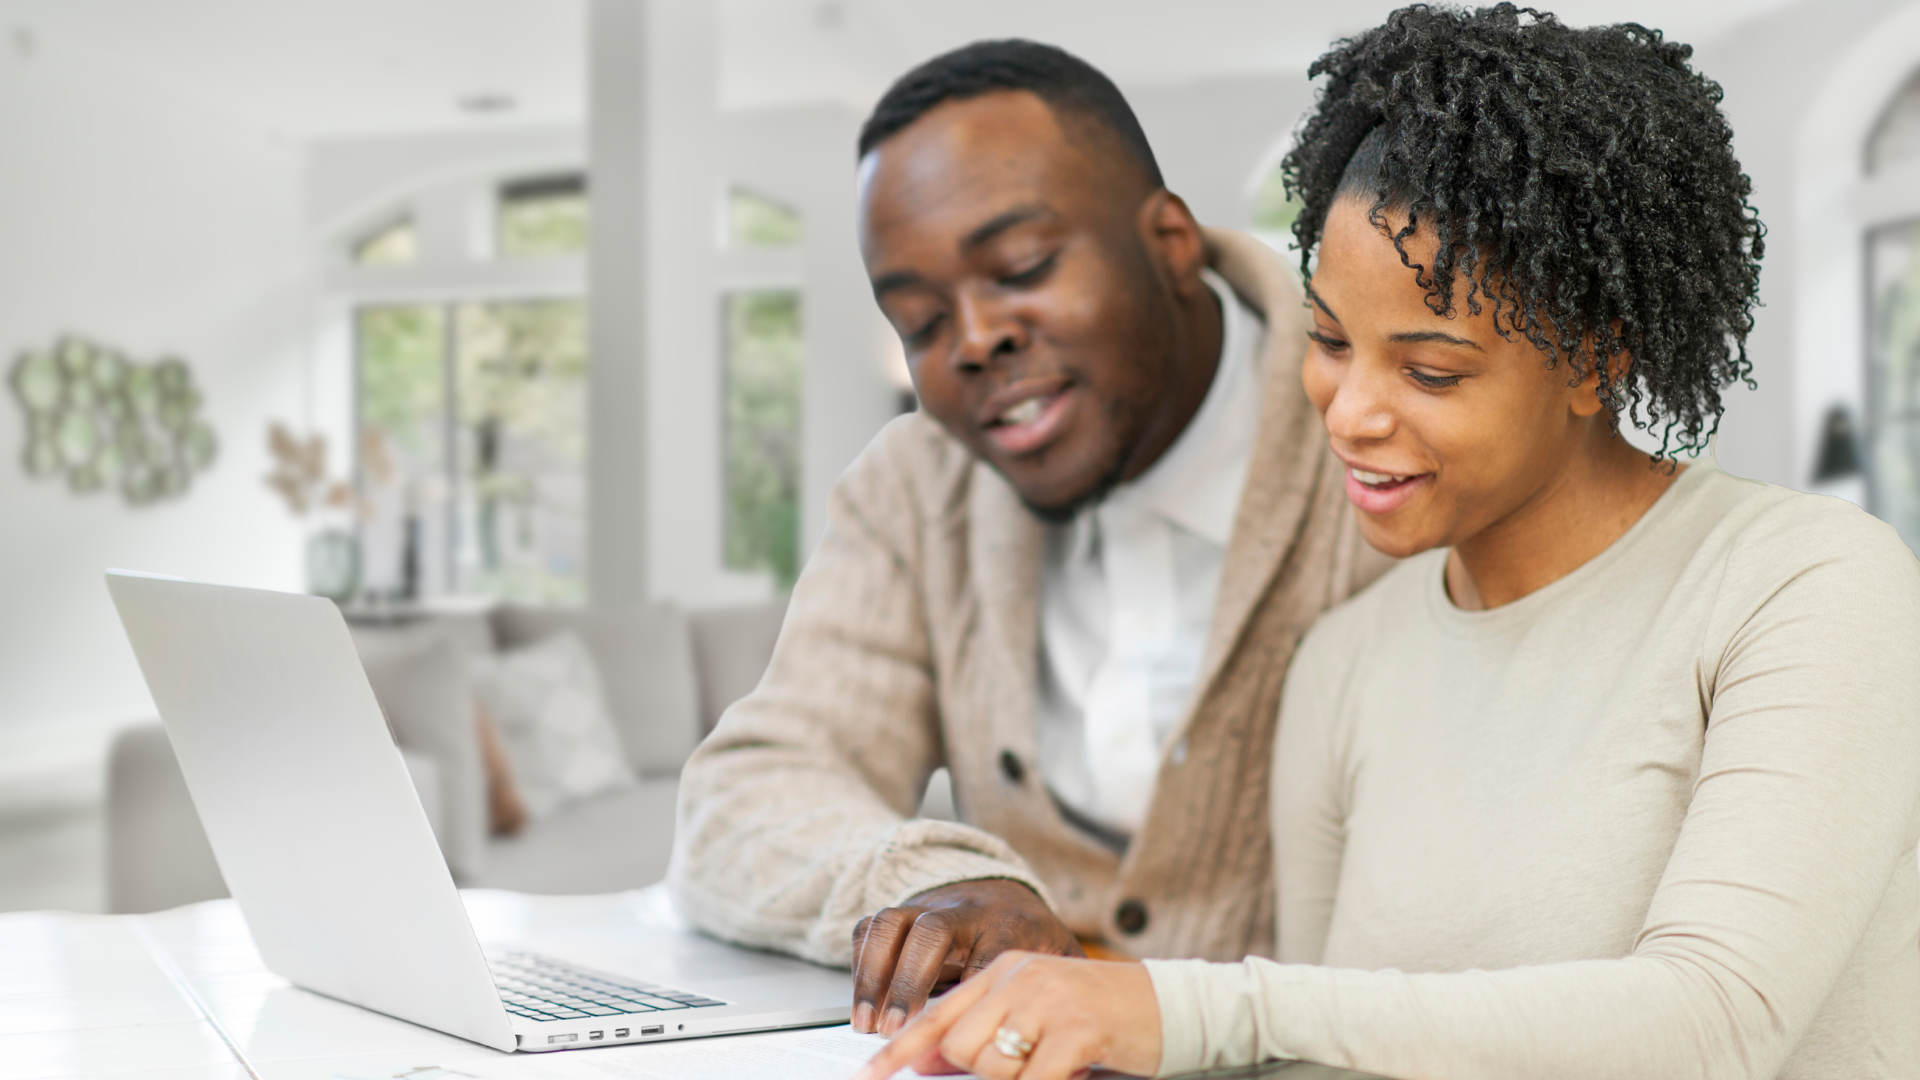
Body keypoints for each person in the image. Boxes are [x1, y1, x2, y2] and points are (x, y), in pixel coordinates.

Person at [854, 7, 1920, 1079]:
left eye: (1430, 370)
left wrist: (1181, 1008)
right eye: (1328, 339)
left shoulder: (1807, 587)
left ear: (1596, 360)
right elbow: (1322, 1053)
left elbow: (1715, 1023)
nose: (1349, 412)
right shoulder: (1346, 665)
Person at [668, 39, 1390, 1035]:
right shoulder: (918, 483)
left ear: (1170, 242)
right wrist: (945, 882)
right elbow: (745, 797)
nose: (973, 341)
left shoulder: (1383, 438)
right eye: (920, 321)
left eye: (1022, 267)